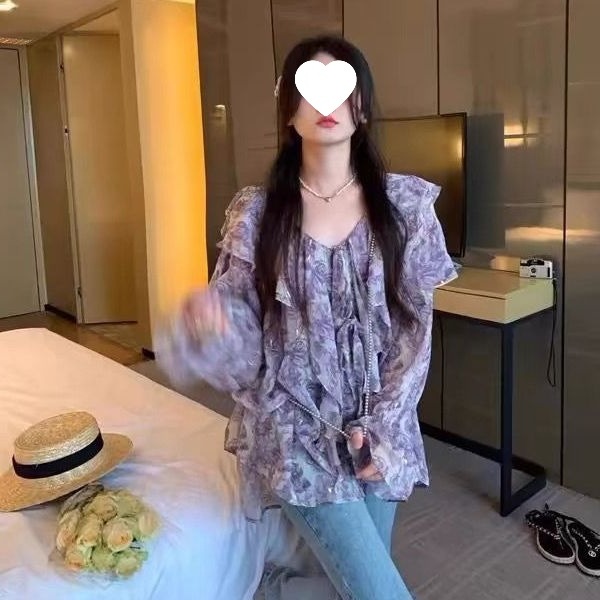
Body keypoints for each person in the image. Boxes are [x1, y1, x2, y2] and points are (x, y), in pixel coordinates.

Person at [158, 35, 457, 600]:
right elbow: (245, 345)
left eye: (340, 86)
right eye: (308, 88)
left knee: (351, 581)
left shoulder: (406, 208)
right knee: (378, 590)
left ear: (361, 107)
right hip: (297, 437)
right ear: (288, 111)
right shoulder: (256, 213)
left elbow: (413, 338)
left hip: (380, 432)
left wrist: (385, 430)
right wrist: (213, 323)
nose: (325, 102)